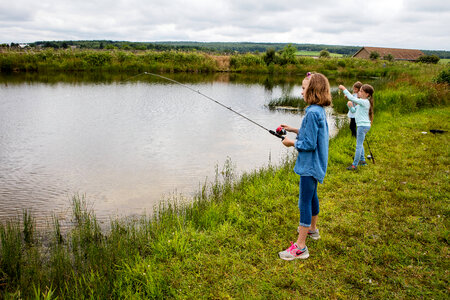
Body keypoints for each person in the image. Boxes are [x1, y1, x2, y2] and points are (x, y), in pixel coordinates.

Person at [278, 72, 332, 260]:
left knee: (304, 201)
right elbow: (312, 134)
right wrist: (294, 129)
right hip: (317, 163)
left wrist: (291, 142)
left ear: (313, 90)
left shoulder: (311, 113)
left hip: (309, 165)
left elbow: (308, 144)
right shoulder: (318, 111)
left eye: (303, 88)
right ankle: (312, 229)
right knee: (312, 196)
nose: (301, 92)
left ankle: (300, 247)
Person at [338, 83, 374, 170]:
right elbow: (354, 111)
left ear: (367, 94)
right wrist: (349, 106)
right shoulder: (362, 103)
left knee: (358, 146)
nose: (359, 92)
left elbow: (351, 97)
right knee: (360, 144)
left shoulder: (365, 102)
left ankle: (354, 165)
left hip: (362, 126)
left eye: (361, 91)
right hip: (363, 126)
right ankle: (362, 161)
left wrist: (343, 88)